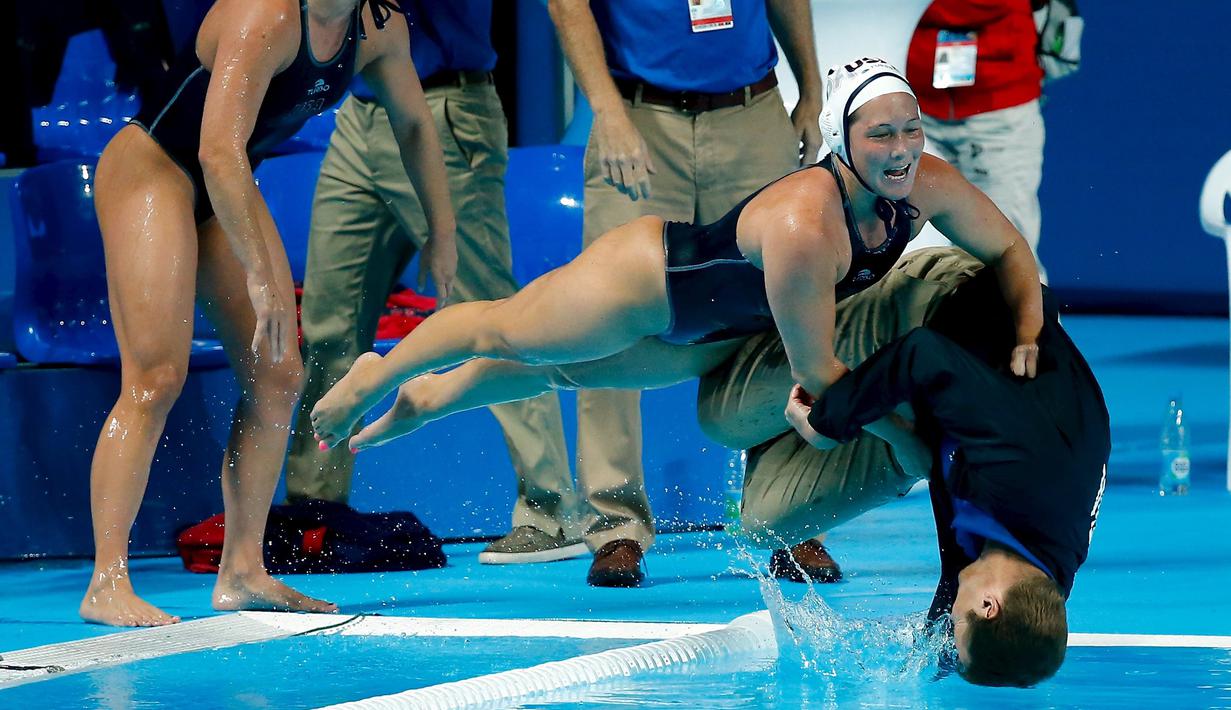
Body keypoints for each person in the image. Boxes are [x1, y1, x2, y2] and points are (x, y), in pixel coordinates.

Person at [308, 60, 1043, 554]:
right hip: (648, 283)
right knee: (508, 328)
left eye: (910, 128)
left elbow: (1010, 250)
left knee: (563, 376)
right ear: (839, 143)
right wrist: (906, 442)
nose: (902, 149)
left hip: (723, 329)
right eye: (880, 134)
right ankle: (376, 375)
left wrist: (1030, 331)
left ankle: (431, 398)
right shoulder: (804, 225)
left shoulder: (924, 183)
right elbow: (819, 370)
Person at [82, 0, 456, 627]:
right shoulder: (269, 16)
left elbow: (415, 125)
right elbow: (216, 151)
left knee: (279, 376)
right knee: (155, 376)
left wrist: (442, 232)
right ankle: (106, 581)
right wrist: (260, 273)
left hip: (224, 189)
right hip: (155, 169)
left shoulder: (378, 28)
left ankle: (243, 571)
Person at [285, 1, 586, 566]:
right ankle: (315, 513)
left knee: (497, 321)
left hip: (444, 109)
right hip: (360, 112)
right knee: (328, 325)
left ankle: (550, 512)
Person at [546, 0, 828, 586]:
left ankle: (794, 524)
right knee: (604, 322)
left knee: (783, 317)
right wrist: (606, 110)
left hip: (752, 115)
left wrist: (811, 90)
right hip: (640, 117)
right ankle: (615, 526)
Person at [787, 259, 1109, 687]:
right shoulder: (1025, 476)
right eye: (956, 632)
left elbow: (961, 589)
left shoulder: (1032, 587)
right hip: (941, 298)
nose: (948, 624)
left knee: (765, 520)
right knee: (728, 416)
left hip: (952, 392)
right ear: (989, 606)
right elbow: (922, 354)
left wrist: (919, 677)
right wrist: (827, 423)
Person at [906, 0, 1049, 279]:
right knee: (907, 258)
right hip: (912, 107)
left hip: (999, 112)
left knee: (1008, 252)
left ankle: (1034, 324)